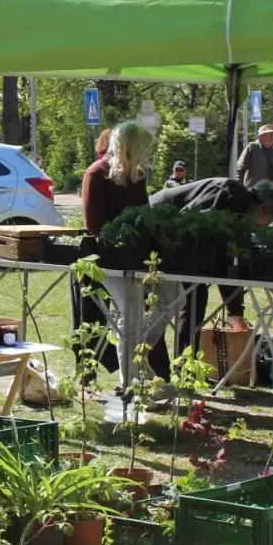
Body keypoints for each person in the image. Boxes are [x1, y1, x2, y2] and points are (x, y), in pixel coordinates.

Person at [148, 178, 273, 352]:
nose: (264, 228)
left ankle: (183, 369)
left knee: (196, 298)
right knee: (179, 302)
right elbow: (186, 221)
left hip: (176, 246)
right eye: (269, 222)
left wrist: (235, 312)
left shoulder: (242, 216)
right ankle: (173, 371)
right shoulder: (229, 193)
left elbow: (229, 262)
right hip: (153, 229)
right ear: (262, 208)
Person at [75, 121, 171, 384]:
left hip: (137, 257)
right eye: (143, 149)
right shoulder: (96, 174)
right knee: (130, 312)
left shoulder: (136, 175)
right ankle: (131, 382)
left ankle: (138, 349)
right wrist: (125, 260)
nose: (147, 155)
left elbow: (144, 215)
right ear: (131, 148)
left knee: (172, 299)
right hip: (106, 259)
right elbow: (95, 227)